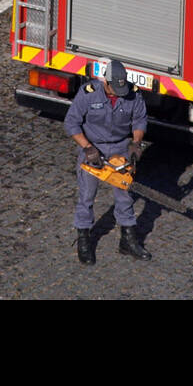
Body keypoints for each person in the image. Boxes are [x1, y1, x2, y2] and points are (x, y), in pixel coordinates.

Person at [64, 59, 149, 264]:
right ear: (105, 81)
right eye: (113, 89)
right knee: (87, 195)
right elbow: (71, 123)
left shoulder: (134, 94)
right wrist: (88, 148)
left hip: (120, 148)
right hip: (93, 147)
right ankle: (84, 239)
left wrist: (136, 143)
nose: (117, 93)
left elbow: (139, 120)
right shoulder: (88, 92)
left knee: (124, 194)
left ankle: (127, 241)